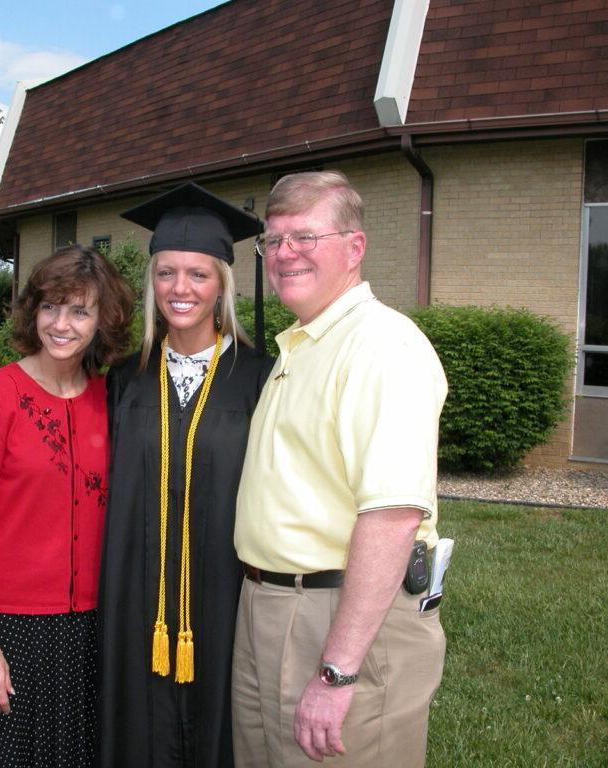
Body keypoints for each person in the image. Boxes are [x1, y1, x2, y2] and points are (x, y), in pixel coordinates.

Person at [232, 170, 448, 767]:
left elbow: (393, 518)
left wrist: (336, 672)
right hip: (268, 606)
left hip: (338, 615)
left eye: (304, 236)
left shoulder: (381, 347)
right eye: (272, 241)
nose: (284, 254)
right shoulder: (303, 345)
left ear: (354, 247)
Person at [97, 182, 274, 768]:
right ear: (152, 283)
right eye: (167, 273)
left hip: (224, 591)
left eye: (198, 274)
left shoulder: (259, 378)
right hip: (134, 593)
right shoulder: (125, 380)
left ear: (222, 283)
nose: (181, 288)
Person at [0, 245, 133, 768]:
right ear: (33, 311)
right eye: (51, 306)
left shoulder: (111, 398)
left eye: (80, 310)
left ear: (103, 320)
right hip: (13, 625)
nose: (62, 324)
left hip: (91, 627)